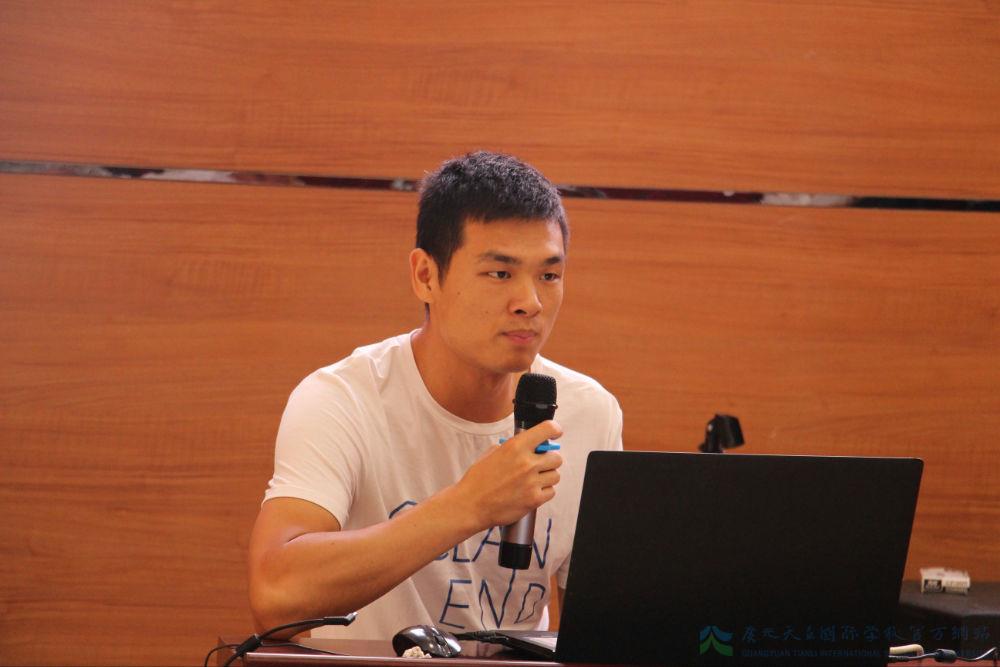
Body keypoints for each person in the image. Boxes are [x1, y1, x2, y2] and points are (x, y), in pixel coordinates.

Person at [248, 151, 622, 640]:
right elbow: (275, 597)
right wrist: (469, 506)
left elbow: (602, 636)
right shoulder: (342, 400)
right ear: (426, 276)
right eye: (500, 273)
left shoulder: (590, 412)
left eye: (549, 276)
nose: (530, 302)